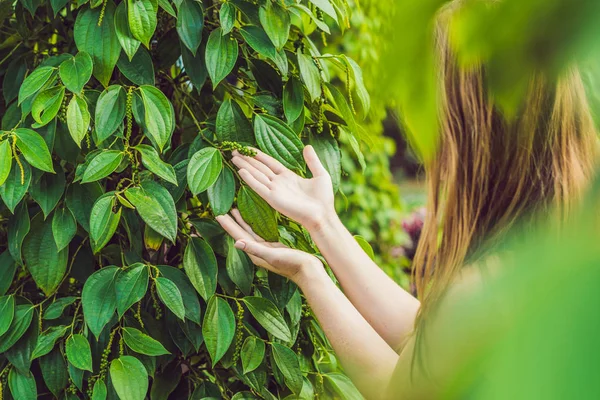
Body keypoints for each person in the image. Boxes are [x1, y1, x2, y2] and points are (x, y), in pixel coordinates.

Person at [216, 3, 599, 398]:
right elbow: (430, 344)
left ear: (469, 131)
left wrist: (308, 274)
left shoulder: (483, 288)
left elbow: (397, 390)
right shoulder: (564, 248)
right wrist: (322, 224)